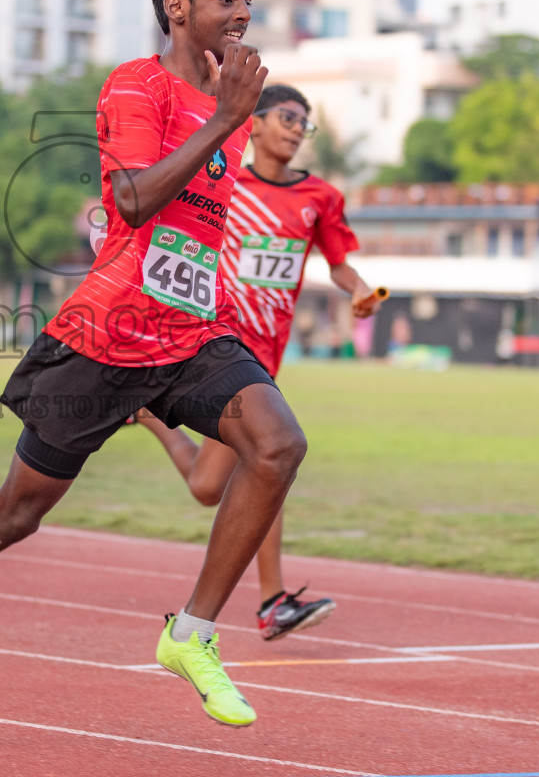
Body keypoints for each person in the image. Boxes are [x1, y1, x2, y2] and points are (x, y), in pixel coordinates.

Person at [0, 0, 307, 750]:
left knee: (277, 445)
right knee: (16, 513)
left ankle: (194, 634)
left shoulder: (231, 100)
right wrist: (226, 118)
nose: (244, 12)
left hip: (189, 335)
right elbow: (134, 200)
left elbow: (197, 226)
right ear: (177, 7)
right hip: (107, 335)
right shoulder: (136, 87)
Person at [134, 84, 381, 641]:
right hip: (216, 344)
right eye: (288, 118)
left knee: (208, 485)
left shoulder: (319, 197)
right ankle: (272, 600)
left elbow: (341, 265)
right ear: (259, 122)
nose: (296, 130)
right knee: (267, 459)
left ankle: (150, 417)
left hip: (266, 355)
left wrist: (361, 289)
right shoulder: (224, 183)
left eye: (305, 124)